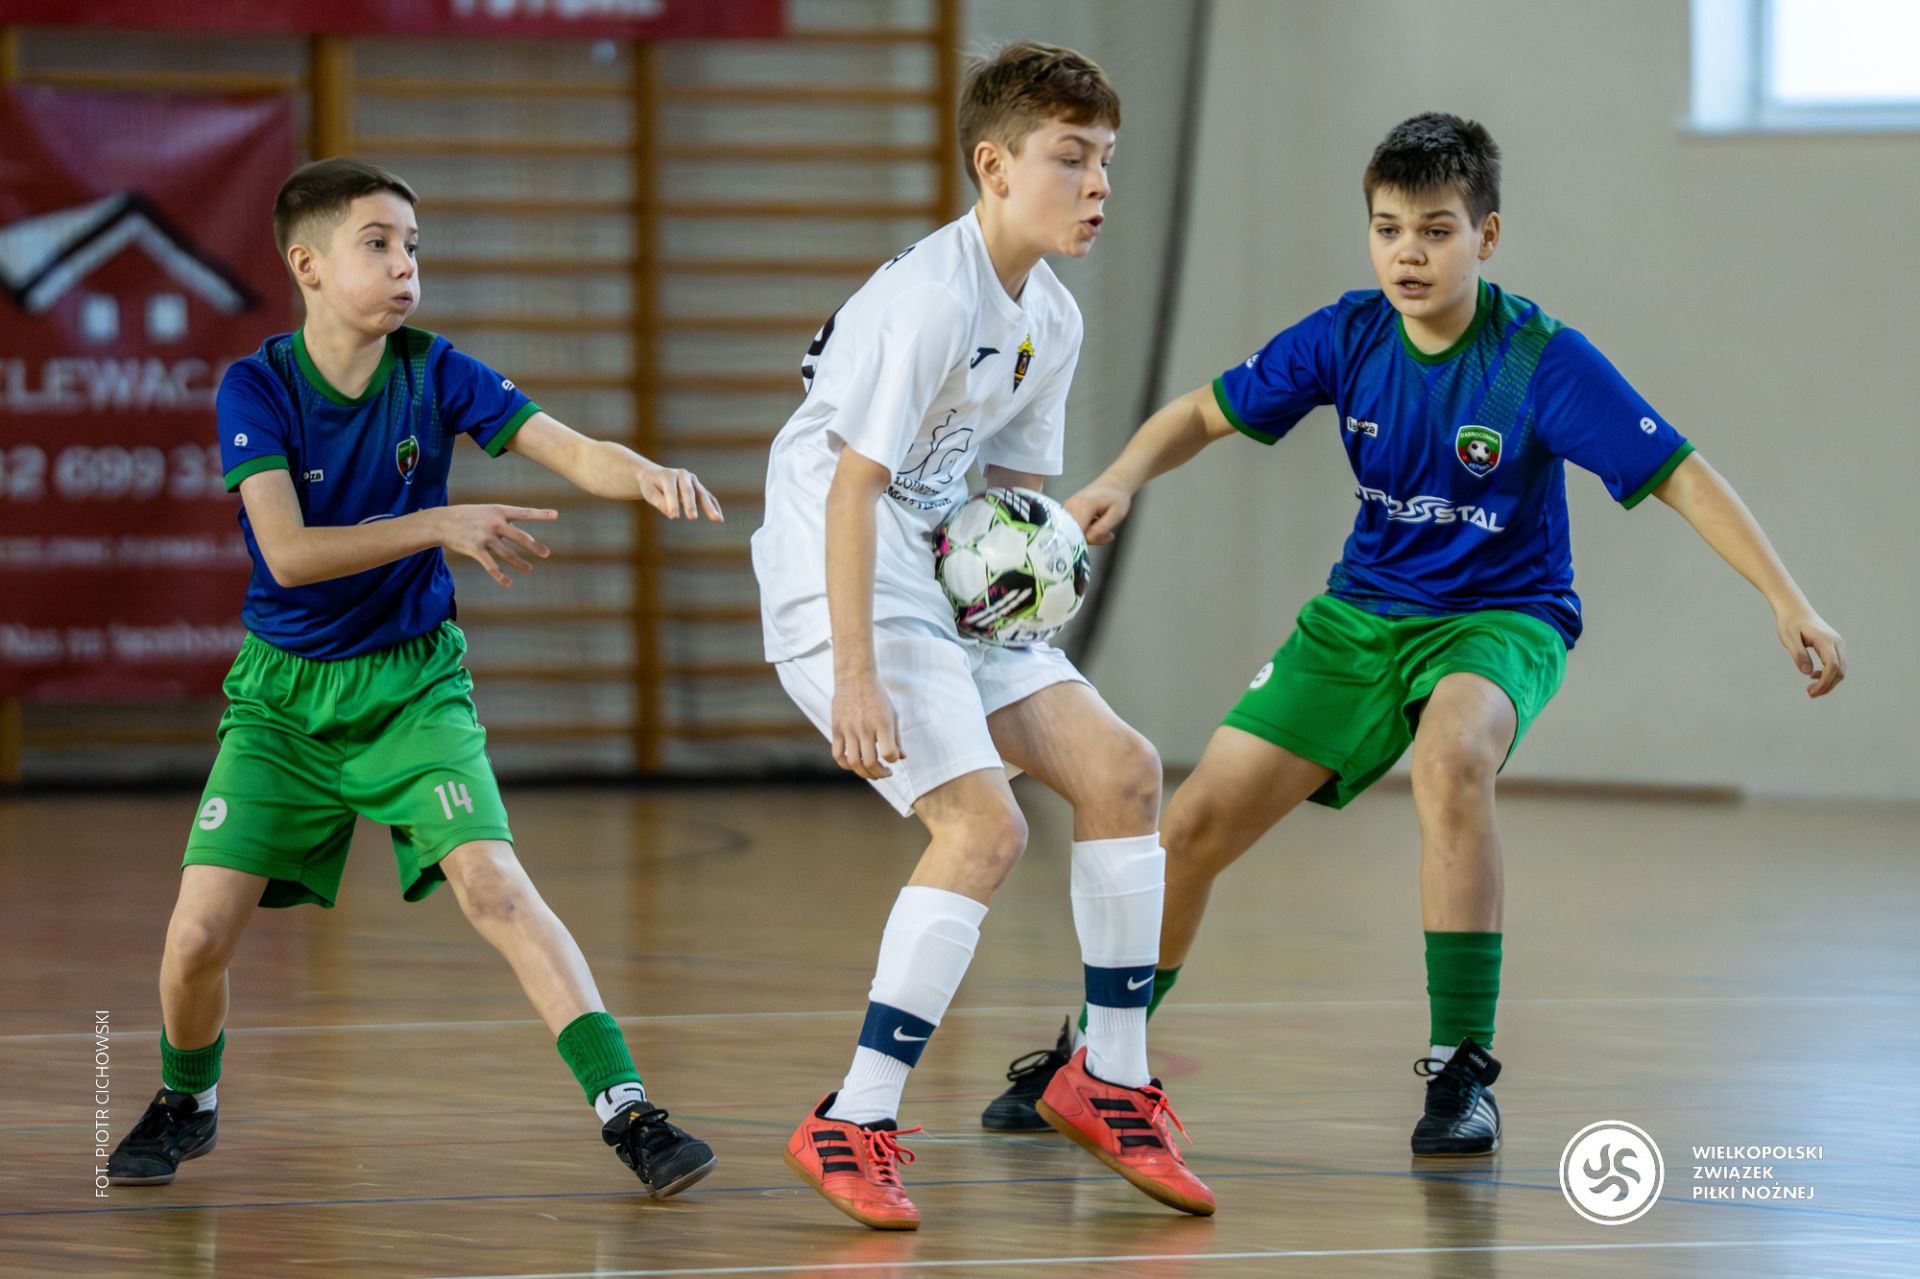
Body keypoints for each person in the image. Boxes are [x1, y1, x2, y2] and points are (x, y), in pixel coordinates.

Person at [982, 112, 1847, 1159]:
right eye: (1389, 229)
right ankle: (1096, 1052)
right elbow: (1204, 412)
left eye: (1437, 230)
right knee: (1195, 821)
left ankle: (1461, 1066)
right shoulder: (1348, 336)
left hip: (1502, 616)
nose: (1409, 253)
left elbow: (1682, 475)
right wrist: (1120, 476)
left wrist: (1787, 598)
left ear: (1487, 235)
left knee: (1452, 759)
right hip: (1361, 615)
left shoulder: (1540, 360)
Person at [105, 158, 725, 1198]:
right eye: (378, 244)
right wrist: (438, 521)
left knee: (496, 886)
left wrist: (644, 473)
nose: (405, 266)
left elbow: (573, 450)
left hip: (412, 687)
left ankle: (629, 1111)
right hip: (283, 701)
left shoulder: (434, 370)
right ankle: (186, 1099)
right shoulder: (256, 387)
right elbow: (288, 555)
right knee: (199, 932)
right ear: (306, 265)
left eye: (413, 247)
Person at [751, 43, 1213, 1230]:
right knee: (983, 826)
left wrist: (1038, 565)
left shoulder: (1050, 316)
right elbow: (853, 491)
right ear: (994, 166)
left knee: (1122, 771)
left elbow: (1006, 499)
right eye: (1071, 158)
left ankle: (1110, 1079)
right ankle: (853, 1116)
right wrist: (857, 676)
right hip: (839, 566)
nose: (1098, 185)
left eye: (1107, 160)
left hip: (934, 565)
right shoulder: (930, 299)